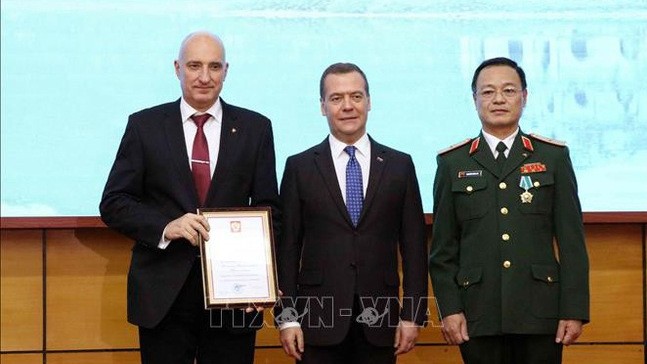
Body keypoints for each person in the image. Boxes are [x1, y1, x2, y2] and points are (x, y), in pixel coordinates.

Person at [99, 31, 280, 364]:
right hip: (162, 295)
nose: (204, 76)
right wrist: (167, 226)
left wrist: (264, 281)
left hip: (235, 297)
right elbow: (114, 202)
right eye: (194, 65)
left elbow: (270, 211)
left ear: (226, 70)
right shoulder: (145, 126)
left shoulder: (256, 128)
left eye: (214, 66)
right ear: (177, 68)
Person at [428, 57, 590, 364]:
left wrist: (574, 309)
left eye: (508, 90)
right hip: (477, 312)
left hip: (541, 312)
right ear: (474, 98)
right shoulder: (453, 163)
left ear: (524, 97)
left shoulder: (552, 157)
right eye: (488, 92)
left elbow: (572, 243)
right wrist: (449, 309)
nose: (498, 99)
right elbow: (442, 251)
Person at [276, 62, 428, 363]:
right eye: (336, 98)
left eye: (356, 97)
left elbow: (414, 248)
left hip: (380, 320)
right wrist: (287, 318)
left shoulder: (400, 165)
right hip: (317, 322)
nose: (348, 106)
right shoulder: (299, 167)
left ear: (369, 101)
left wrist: (413, 315)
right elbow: (287, 248)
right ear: (322, 106)